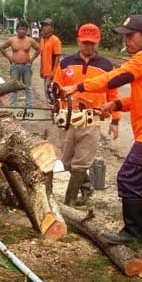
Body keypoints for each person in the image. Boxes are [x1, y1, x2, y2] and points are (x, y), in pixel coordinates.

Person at [61, 15, 142, 251]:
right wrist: (116, 106)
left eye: (130, 35)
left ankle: (131, 233)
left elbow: (115, 78)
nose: (126, 40)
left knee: (128, 178)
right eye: (124, 35)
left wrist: (79, 86)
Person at [53, 23, 120, 205]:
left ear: (97, 43)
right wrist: (56, 102)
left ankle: (70, 201)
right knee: (67, 162)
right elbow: (56, 86)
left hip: (92, 118)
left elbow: (113, 94)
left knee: (81, 162)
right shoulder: (66, 63)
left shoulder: (106, 65)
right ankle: (86, 185)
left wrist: (115, 120)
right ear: (78, 41)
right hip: (68, 116)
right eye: (85, 43)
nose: (88, 46)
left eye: (92, 43)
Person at [0, 21, 40, 107]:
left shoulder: (30, 40)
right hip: (15, 66)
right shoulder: (12, 40)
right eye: (20, 29)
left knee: (27, 87)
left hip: (26, 66)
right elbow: (2, 48)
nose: (22, 31)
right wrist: (9, 58)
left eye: (24, 29)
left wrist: (32, 60)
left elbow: (38, 49)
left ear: (26, 31)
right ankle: (13, 106)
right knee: (14, 87)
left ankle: (29, 106)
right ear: (17, 30)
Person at [39, 18, 62, 100]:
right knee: (46, 91)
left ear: (52, 28)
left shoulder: (55, 40)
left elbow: (57, 56)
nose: (44, 27)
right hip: (45, 71)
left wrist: (54, 71)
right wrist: (41, 68)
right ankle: (51, 108)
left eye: (46, 25)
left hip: (52, 71)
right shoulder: (42, 39)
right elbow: (42, 55)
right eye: (43, 25)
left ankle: (54, 109)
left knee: (51, 91)